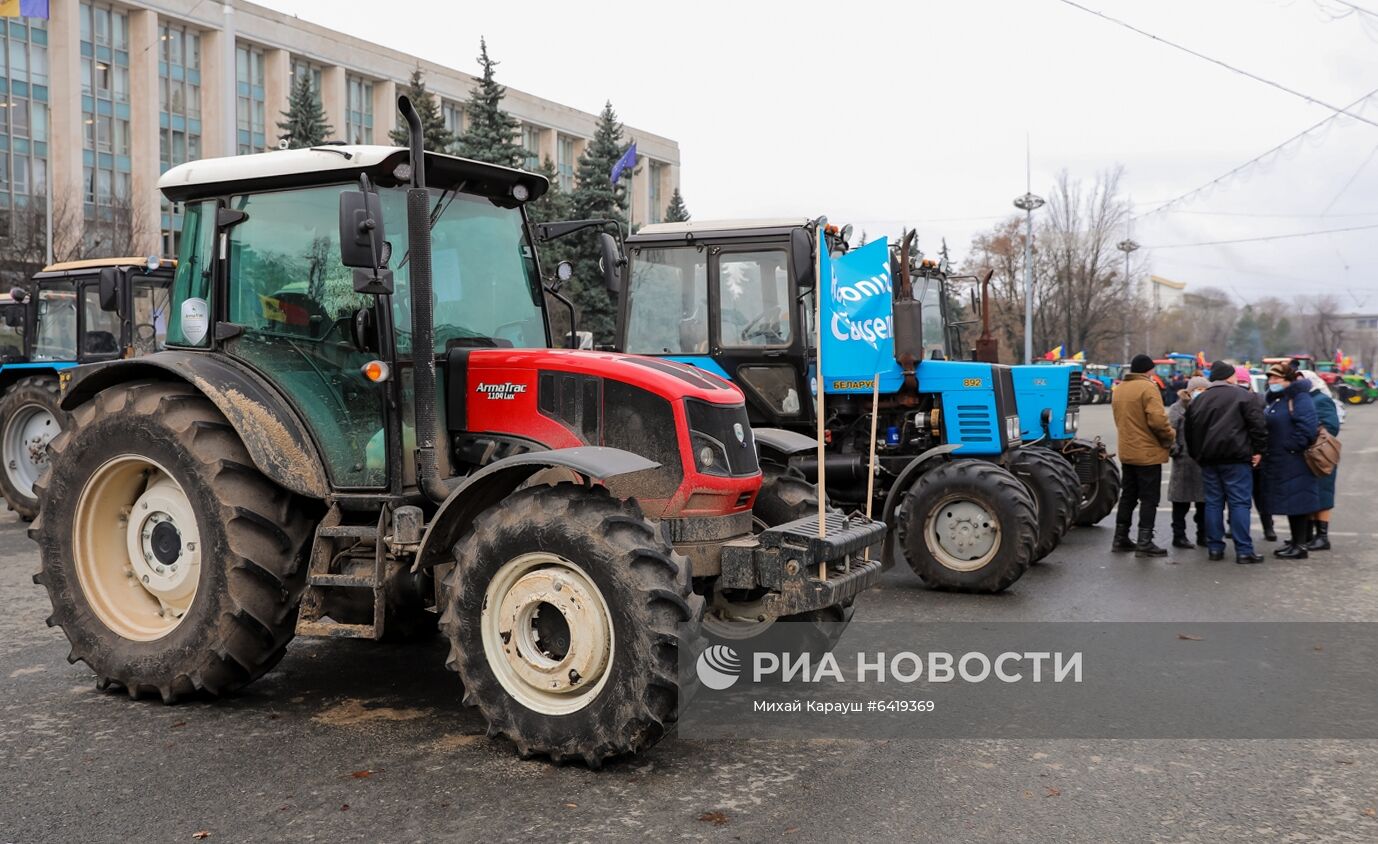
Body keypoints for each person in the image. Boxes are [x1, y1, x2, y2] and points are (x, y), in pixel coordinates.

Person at [1185, 360, 1268, 564]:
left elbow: (1189, 431)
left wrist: (1198, 455)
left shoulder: (1199, 400)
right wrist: (1259, 451)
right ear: (1230, 377)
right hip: (1237, 459)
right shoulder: (1244, 396)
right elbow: (1258, 426)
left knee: (1213, 503)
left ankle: (1215, 548)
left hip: (1209, 459)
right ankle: (1244, 551)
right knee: (1239, 503)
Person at [1111, 354, 1176, 556]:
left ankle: (1120, 538)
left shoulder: (1119, 389)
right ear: (1148, 370)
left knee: (1128, 496)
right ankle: (1144, 541)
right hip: (1147, 453)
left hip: (1128, 451)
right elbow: (1157, 420)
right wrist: (1170, 437)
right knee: (1149, 498)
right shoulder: (1148, 388)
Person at [1261, 363, 1320, 559]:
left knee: (1298, 503)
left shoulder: (1300, 398)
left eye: (1276, 378)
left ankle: (1300, 546)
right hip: (1280, 460)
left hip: (1295, 460)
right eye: (1270, 378)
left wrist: (1290, 446)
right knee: (1290, 503)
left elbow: (1308, 428)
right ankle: (1295, 543)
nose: (1271, 382)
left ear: (1288, 379)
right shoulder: (1280, 399)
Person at [1167, 375, 1210, 548]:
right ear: (1189, 391)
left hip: (1203, 462)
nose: (1201, 393)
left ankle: (1203, 535)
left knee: (1204, 504)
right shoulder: (1177, 408)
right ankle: (1179, 536)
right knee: (1180, 504)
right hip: (1183, 463)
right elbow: (1170, 432)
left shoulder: (1209, 407)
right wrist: (1175, 450)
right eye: (1198, 390)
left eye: (1205, 390)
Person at [1237, 365, 1277, 542]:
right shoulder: (1259, 400)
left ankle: (1236, 527)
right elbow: (1263, 429)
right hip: (1256, 455)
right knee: (1261, 495)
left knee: (1238, 496)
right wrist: (1261, 450)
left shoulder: (1231, 400)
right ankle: (1268, 528)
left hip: (1242, 454)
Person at [1306, 376, 1341, 551]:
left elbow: (1332, 426)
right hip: (1308, 456)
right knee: (1312, 495)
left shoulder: (1321, 400)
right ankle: (1311, 535)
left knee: (1323, 495)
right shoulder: (1305, 399)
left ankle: (1322, 537)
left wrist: (1308, 430)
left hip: (1320, 456)